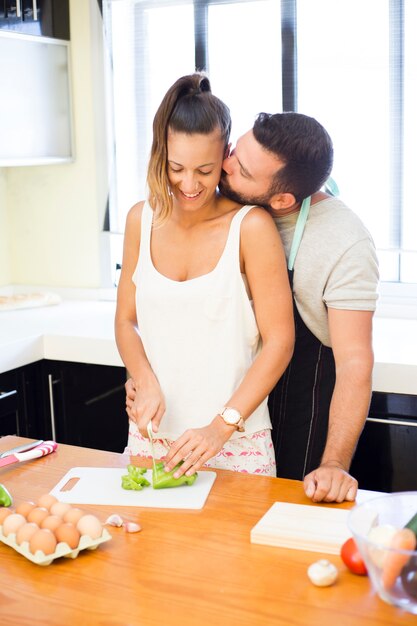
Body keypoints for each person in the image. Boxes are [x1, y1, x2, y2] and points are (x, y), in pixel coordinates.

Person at [115, 73, 294, 479]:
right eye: (176, 168)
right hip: (152, 438)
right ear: (161, 155)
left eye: (206, 170)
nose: (189, 184)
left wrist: (220, 427)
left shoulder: (251, 227)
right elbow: (126, 321)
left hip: (234, 444)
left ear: (226, 156)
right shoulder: (139, 221)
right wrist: (143, 378)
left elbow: (280, 342)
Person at [218, 112, 379, 503]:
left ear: (282, 199)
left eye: (241, 170)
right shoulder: (218, 204)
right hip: (220, 412)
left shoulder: (345, 243)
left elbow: (355, 364)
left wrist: (335, 464)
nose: (224, 166)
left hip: (296, 415)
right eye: (235, 150)